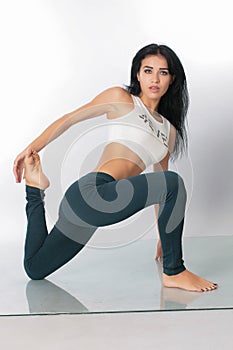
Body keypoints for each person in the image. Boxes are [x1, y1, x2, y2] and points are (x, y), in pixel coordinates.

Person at [13, 43, 217, 292]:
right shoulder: (121, 99)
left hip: (94, 210)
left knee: (35, 268)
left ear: (172, 79)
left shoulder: (169, 132)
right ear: (137, 74)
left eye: (163, 72)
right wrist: (31, 148)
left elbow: (160, 183)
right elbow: (70, 118)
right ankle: (174, 272)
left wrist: (165, 237)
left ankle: (34, 188)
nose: (154, 79)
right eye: (148, 70)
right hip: (92, 192)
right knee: (174, 182)